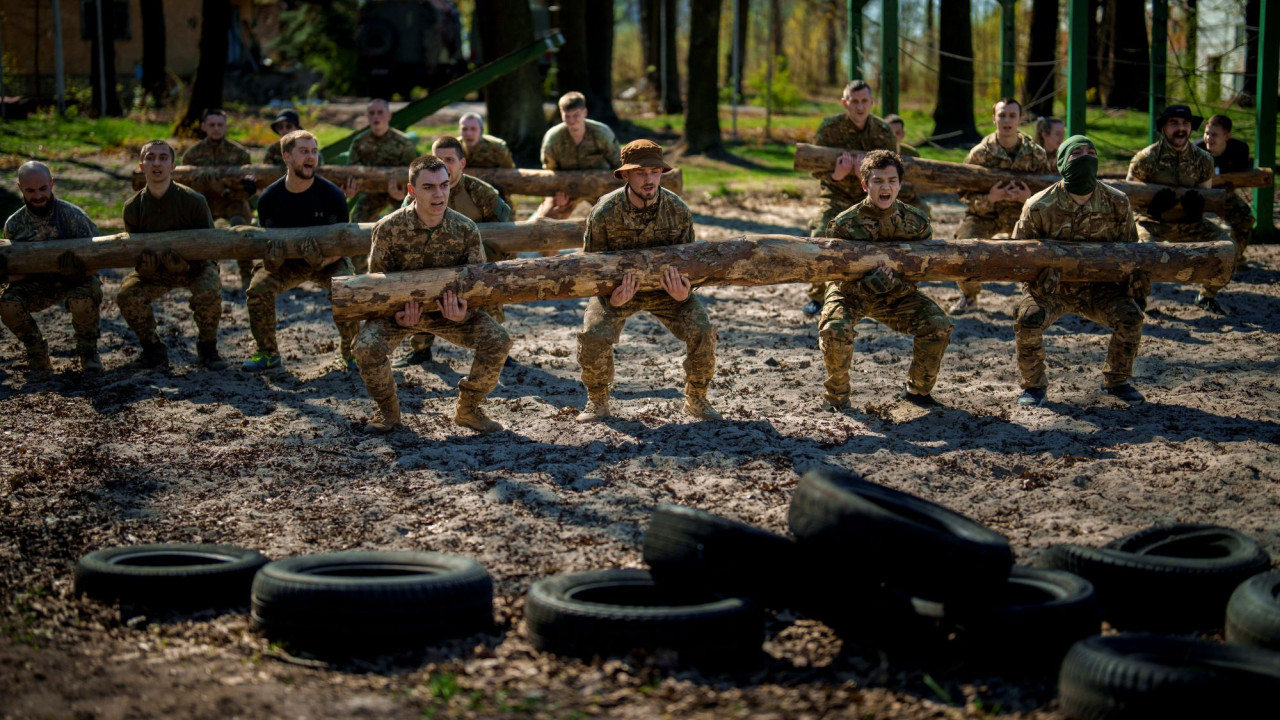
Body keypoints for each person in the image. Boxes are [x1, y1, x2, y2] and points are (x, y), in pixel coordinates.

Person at [351, 155, 512, 434]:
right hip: (399, 314)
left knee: (499, 341)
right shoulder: (388, 229)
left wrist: (464, 313)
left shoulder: (465, 230)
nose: (439, 194)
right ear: (411, 191)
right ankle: (388, 412)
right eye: (428, 187)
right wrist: (398, 317)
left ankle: (468, 410)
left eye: (444, 185)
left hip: (450, 313)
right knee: (364, 346)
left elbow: (477, 288)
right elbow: (378, 288)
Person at [575, 140, 720, 423]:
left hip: (668, 292)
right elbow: (591, 267)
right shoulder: (604, 212)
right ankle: (597, 401)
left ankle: (698, 399)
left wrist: (684, 292)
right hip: (616, 291)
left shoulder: (677, 209)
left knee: (703, 329)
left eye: (655, 171)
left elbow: (689, 261)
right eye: (641, 172)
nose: (650, 179)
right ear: (626, 175)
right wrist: (610, 298)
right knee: (593, 335)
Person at [1013, 135, 1148, 407]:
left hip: (1100, 289)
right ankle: (1034, 386)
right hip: (1052, 289)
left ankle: (1117, 379)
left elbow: (1131, 252)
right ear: (1062, 162)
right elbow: (1021, 259)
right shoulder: (1039, 205)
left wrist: (1134, 287)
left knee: (1131, 316)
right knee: (1027, 317)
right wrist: (1037, 284)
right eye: (1077, 154)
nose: (1086, 158)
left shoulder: (1117, 202)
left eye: (1091, 153)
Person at [818, 150, 952, 410]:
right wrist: (866, 285)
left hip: (896, 294)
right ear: (865, 184)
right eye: (878, 181)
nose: (885, 186)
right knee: (834, 329)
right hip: (851, 294)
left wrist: (895, 285)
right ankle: (837, 395)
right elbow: (835, 274)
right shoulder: (845, 224)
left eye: (892, 180)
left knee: (938, 325)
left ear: (900, 184)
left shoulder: (916, 223)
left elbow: (918, 271)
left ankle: (918, 390)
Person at [242, 130, 358, 373]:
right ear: (287, 157)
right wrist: (272, 261)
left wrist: (323, 260)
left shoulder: (332, 195)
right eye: (304, 151)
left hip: (329, 261)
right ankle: (268, 353)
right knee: (257, 289)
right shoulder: (269, 199)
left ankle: (352, 353)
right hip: (286, 263)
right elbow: (267, 243)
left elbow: (342, 243)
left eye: (314, 152)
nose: (311, 157)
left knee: (346, 289)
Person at [394, 136, 512, 368]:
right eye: (438, 158)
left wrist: (491, 264)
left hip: (473, 263)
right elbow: (404, 226)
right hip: (432, 262)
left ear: (462, 164)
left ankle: (500, 350)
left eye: (449, 159)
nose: (443, 164)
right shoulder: (417, 193)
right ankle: (420, 349)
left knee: (489, 294)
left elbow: (505, 229)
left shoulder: (479, 191)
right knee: (419, 294)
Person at [116, 140, 225, 370]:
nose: (157, 163)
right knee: (128, 294)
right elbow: (135, 251)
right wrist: (145, 269)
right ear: (141, 166)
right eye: (150, 157)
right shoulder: (133, 207)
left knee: (208, 288)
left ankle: (208, 349)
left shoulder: (194, 201)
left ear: (173, 166)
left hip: (193, 268)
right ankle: (152, 350)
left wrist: (187, 267)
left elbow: (210, 248)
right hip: (154, 272)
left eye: (163, 158)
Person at [1126, 105, 1236, 314]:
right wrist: (1153, 207)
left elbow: (1206, 197)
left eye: (1185, 124)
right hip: (1152, 221)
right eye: (1174, 123)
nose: (1181, 128)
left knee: (1228, 245)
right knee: (1140, 249)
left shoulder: (1203, 159)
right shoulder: (1146, 158)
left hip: (1190, 222)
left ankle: (1206, 295)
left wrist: (1196, 210)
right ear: (1164, 128)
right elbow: (1130, 197)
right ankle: (1137, 298)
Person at [950, 98, 1053, 315]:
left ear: (1020, 119)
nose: (1007, 120)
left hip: (1022, 215)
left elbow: (1049, 193)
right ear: (994, 118)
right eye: (1002, 115)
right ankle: (969, 296)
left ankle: (1039, 298)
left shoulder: (1036, 154)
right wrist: (990, 199)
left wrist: (1029, 198)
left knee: (1050, 246)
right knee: (962, 246)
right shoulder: (980, 153)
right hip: (986, 214)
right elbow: (963, 191)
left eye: (1012, 116)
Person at [804, 80, 898, 316]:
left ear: (871, 103)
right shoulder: (829, 128)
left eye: (864, 101)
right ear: (845, 103)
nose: (859, 106)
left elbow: (893, 170)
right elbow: (814, 167)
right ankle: (817, 296)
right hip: (835, 194)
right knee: (820, 235)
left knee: (891, 236)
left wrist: (863, 176)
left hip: (871, 197)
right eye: (854, 101)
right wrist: (836, 176)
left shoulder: (883, 132)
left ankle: (886, 292)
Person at [0, 162, 102, 377]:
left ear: (52, 184)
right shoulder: (14, 225)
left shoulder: (74, 217)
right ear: (20, 188)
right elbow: (15, 268)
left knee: (82, 300)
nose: (38, 196)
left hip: (78, 278)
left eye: (43, 189)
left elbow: (98, 258)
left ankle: (89, 352)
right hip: (37, 282)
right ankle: (37, 352)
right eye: (30, 190)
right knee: (8, 305)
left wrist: (78, 271)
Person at [181, 108, 258, 289]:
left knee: (241, 231)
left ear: (225, 127)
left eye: (219, 125)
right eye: (212, 125)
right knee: (201, 234)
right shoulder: (192, 155)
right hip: (203, 202)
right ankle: (206, 275)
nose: (216, 128)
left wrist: (228, 190)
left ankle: (247, 275)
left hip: (232, 201)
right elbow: (185, 188)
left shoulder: (240, 153)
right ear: (204, 127)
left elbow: (247, 189)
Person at [533, 91, 622, 222]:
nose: (572, 121)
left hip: (600, 186)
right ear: (561, 114)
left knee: (620, 219)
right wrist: (557, 192)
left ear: (584, 112)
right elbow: (550, 171)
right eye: (567, 116)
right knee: (545, 220)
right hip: (566, 188)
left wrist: (615, 194)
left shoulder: (602, 133)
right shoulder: (553, 138)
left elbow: (618, 165)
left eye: (576, 115)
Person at [1196, 114, 1256, 269]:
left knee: (1245, 218)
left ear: (1227, 136)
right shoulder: (1196, 150)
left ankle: (1234, 257)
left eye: (1214, 135)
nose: (1209, 138)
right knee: (1185, 222)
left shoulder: (1239, 150)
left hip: (1225, 195)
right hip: (1199, 196)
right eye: (1207, 133)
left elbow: (1240, 177)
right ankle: (1192, 258)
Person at [346, 99, 418, 224]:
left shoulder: (403, 142)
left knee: (413, 220)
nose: (376, 116)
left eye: (380, 112)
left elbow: (415, 174)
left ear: (389, 116)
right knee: (357, 220)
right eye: (372, 113)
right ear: (367, 116)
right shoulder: (359, 142)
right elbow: (351, 171)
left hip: (400, 192)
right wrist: (350, 190)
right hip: (371, 192)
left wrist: (404, 195)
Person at [883, 113, 931, 218]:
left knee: (924, 211)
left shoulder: (912, 154)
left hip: (908, 195)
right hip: (883, 195)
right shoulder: (878, 154)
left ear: (903, 134)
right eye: (891, 133)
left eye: (897, 132)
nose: (894, 136)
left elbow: (920, 181)